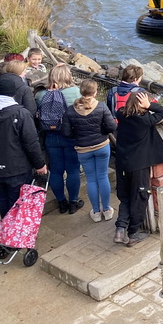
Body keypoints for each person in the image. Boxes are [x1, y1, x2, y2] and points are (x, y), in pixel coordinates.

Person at [0, 73, 48, 218]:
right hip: (16, 168)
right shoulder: (21, 114)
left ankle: (5, 234)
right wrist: (40, 165)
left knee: (3, 199)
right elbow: (31, 143)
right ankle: (13, 237)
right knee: (17, 202)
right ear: (13, 93)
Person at [113, 88, 163, 247]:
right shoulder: (145, 120)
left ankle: (120, 228)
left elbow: (123, 111)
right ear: (142, 104)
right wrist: (149, 105)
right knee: (140, 197)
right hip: (139, 166)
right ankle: (132, 233)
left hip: (122, 164)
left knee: (125, 196)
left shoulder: (121, 114)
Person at [63, 79, 117, 223]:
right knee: (103, 176)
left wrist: (79, 136)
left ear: (81, 91)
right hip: (102, 146)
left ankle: (96, 212)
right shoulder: (101, 107)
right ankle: (107, 209)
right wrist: (102, 132)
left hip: (83, 149)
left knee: (91, 179)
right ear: (95, 92)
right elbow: (111, 127)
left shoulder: (70, 110)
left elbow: (66, 132)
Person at [37, 64, 83, 214]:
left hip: (51, 137)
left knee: (56, 171)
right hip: (71, 136)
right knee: (72, 170)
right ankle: (73, 202)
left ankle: (61, 202)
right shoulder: (75, 91)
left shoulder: (41, 95)